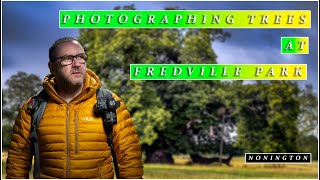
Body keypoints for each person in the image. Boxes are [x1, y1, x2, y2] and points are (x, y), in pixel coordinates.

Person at [6, 37, 143, 179]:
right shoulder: (33, 107)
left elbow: (130, 158)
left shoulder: (110, 101)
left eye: (81, 57)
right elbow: (17, 162)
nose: (77, 64)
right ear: (52, 67)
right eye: (67, 59)